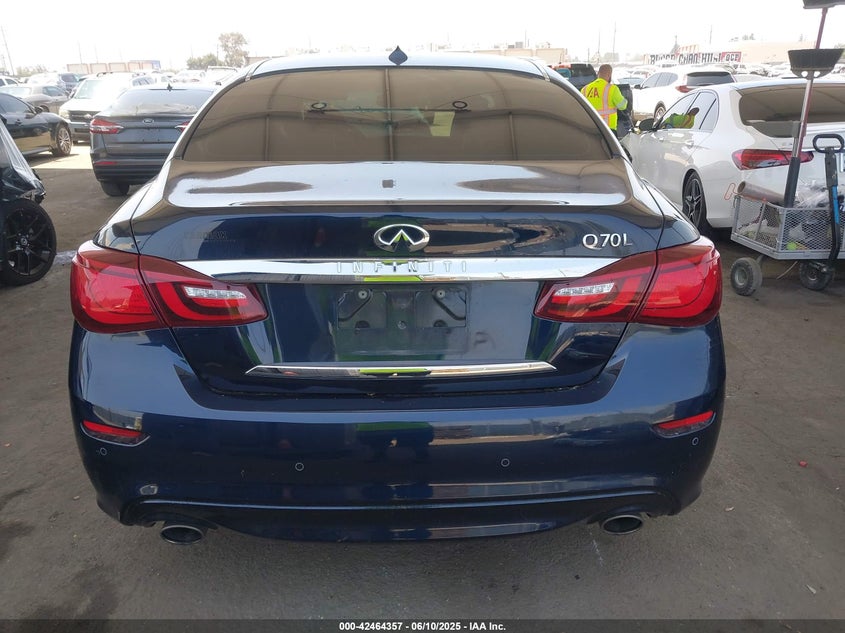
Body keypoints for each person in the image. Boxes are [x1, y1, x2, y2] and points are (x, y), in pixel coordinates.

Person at [580, 64, 628, 137]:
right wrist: (625, 100)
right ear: (609, 74)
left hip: (590, 128)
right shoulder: (612, 89)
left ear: (598, 74)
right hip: (607, 129)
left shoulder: (585, 89)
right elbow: (622, 106)